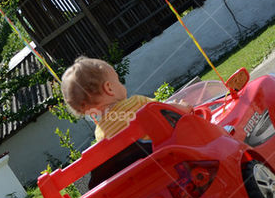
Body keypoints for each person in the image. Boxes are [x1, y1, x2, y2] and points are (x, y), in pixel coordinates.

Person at [61, 56, 191, 143]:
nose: (122, 85)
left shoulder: (100, 135)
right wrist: (182, 106)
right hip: (174, 158)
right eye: (118, 81)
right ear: (109, 89)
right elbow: (172, 113)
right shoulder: (137, 103)